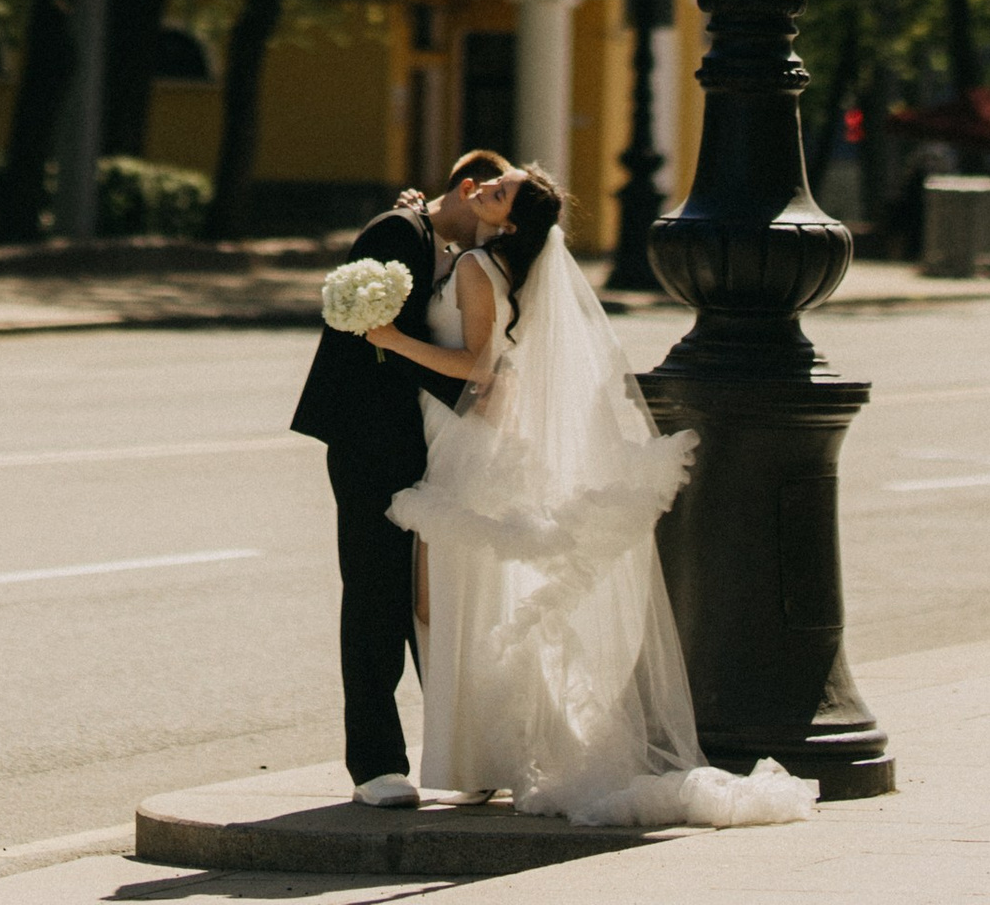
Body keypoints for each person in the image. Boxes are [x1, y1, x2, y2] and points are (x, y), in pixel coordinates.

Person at [371, 166, 812, 829]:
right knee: (457, 597)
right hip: (465, 439)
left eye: (497, 193)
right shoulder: (492, 264)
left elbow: (481, 367)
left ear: (511, 223)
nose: (484, 190)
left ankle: (483, 757)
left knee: (448, 598)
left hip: (465, 445)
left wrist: (394, 341)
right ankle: (478, 756)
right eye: (490, 183)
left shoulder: (475, 269)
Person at [288, 147, 511, 805]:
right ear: (467, 190)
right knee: (375, 595)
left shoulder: (459, 253)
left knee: (437, 600)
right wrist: (472, 386)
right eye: (494, 210)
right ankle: (377, 765)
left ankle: (464, 750)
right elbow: (370, 336)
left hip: (433, 446)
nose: (500, 232)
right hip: (370, 442)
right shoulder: (400, 233)